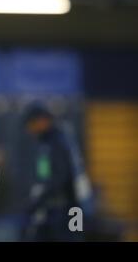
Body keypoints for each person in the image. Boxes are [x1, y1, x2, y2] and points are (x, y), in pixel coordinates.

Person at [19, 102, 95, 241]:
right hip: (56, 209)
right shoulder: (48, 142)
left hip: (69, 209)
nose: (30, 130)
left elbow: (61, 177)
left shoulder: (58, 141)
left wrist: (38, 200)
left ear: (42, 120)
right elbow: (45, 176)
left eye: (31, 124)